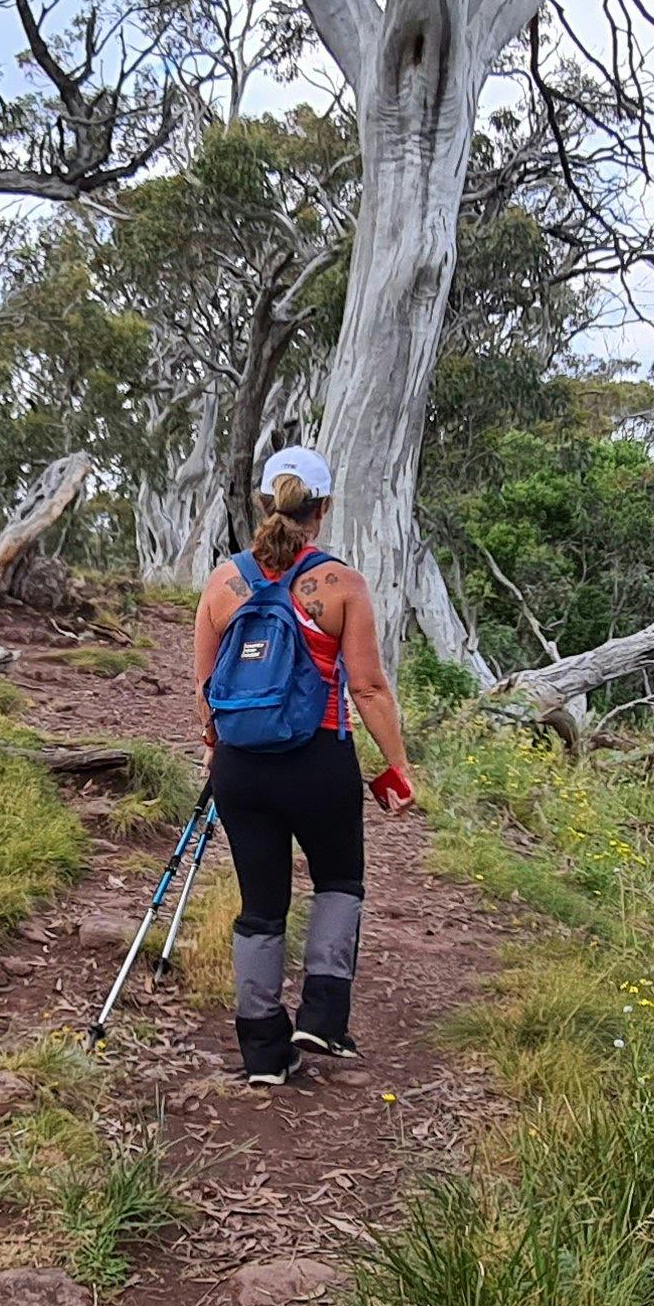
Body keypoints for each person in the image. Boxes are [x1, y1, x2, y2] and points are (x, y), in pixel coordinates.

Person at [191, 446, 416, 1086]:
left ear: (266, 504)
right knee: (339, 879)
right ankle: (322, 1013)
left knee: (260, 905)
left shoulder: (222, 582)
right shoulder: (340, 584)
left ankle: (263, 1049)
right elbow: (368, 688)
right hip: (319, 760)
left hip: (241, 768)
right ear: (324, 508)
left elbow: (206, 684)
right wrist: (396, 766)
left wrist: (215, 747)